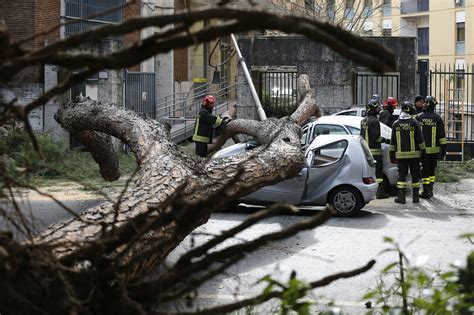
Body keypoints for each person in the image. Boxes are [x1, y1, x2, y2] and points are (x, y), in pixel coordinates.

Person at [389, 102, 426, 204]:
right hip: (414, 156)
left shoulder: (396, 124)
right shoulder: (414, 123)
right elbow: (421, 141)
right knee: (415, 176)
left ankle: (401, 198)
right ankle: (415, 198)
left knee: (401, 178)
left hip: (401, 157)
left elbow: (393, 143)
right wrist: (423, 153)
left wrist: (392, 155)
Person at [416, 96, 447, 199]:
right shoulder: (437, 118)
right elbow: (442, 136)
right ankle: (430, 190)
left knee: (424, 170)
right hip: (434, 151)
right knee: (432, 171)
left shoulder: (418, 117)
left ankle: (425, 191)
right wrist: (444, 149)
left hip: (422, 151)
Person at [360, 99, 390, 199]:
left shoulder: (363, 121)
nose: (379, 109)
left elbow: (361, 136)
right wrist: (387, 141)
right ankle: (380, 192)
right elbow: (377, 138)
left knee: (368, 173)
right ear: (373, 108)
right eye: (377, 107)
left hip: (365, 152)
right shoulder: (374, 121)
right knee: (378, 174)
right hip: (375, 152)